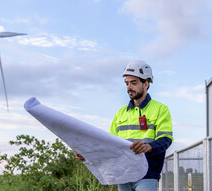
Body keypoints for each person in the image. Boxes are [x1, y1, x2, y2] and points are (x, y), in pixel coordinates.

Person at [74, 60, 173, 191]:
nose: (129, 87)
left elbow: (166, 139)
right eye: (126, 83)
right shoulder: (120, 114)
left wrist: (147, 146)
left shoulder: (160, 109)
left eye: (134, 83)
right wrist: (87, 154)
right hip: (123, 176)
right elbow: (108, 145)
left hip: (147, 175)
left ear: (146, 83)